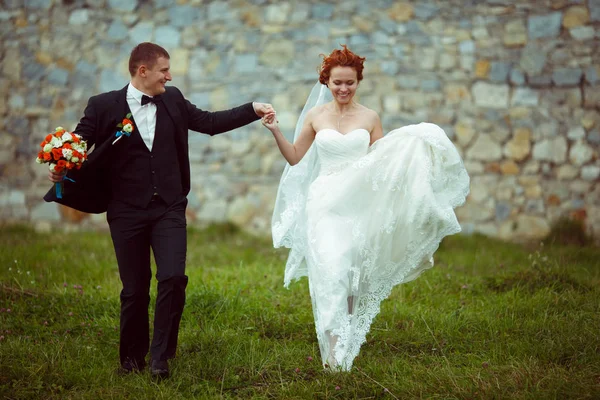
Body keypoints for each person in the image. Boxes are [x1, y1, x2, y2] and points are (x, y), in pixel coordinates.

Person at [44, 42, 275, 378]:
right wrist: (59, 168)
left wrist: (251, 109)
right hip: (125, 211)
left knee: (173, 277)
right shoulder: (103, 106)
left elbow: (209, 122)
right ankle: (131, 360)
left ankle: (160, 357)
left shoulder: (173, 99)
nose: (170, 75)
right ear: (143, 71)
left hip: (168, 207)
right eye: (164, 70)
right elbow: (77, 147)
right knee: (135, 288)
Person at [262, 45, 470, 371]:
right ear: (326, 83)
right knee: (331, 269)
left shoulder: (370, 117)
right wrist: (276, 130)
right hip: (325, 204)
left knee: (352, 274)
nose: (343, 89)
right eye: (337, 83)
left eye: (350, 83)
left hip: (357, 203)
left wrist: (414, 148)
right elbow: (295, 157)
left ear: (358, 81)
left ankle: (345, 337)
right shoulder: (316, 117)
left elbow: (380, 163)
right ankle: (333, 356)